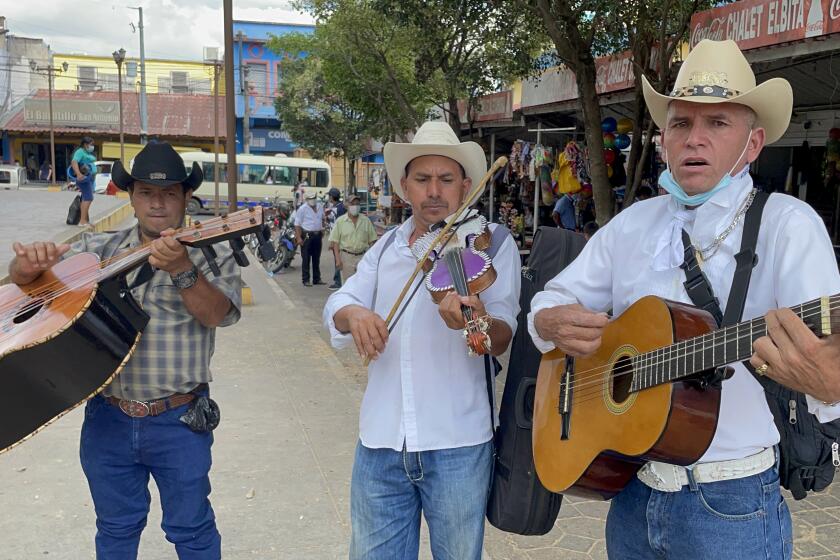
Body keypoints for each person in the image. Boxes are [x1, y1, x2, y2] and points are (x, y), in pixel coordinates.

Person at [528, 39, 840, 559]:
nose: (695, 139)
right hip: (633, 489)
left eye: (718, 123)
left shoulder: (788, 224)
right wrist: (549, 320)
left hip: (731, 504)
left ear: (753, 142)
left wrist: (829, 383)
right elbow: (553, 299)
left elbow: (829, 364)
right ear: (664, 138)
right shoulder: (633, 224)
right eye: (681, 124)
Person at [8, 142, 242, 559]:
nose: (157, 203)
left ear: (186, 198)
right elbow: (36, 289)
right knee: (115, 530)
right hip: (108, 419)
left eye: (169, 193)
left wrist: (182, 270)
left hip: (181, 420)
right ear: (131, 197)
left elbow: (217, 315)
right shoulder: (101, 249)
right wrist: (24, 270)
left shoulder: (212, 249)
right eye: (146, 193)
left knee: (191, 529)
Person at [323, 121, 520, 560]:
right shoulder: (387, 247)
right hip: (380, 443)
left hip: (458, 445)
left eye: (446, 180)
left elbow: (503, 333)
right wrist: (353, 315)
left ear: (466, 185)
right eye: (422, 180)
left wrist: (478, 322)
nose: (434, 191)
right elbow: (339, 301)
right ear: (404, 188)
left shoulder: (490, 244)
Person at [328, 194, 377, 290]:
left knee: (362, 286)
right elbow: (335, 242)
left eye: (357, 204)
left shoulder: (365, 221)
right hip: (346, 257)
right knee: (347, 286)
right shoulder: (340, 221)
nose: (355, 206)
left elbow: (372, 241)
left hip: (362, 257)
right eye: (352, 204)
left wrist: (372, 259)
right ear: (346, 205)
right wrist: (338, 260)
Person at [295, 191, 326, 286]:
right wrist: (299, 237)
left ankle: (317, 278)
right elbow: (297, 224)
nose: (312, 200)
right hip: (307, 235)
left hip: (317, 235)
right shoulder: (302, 209)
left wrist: (323, 229)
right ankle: (306, 279)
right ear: (306, 199)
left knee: (317, 258)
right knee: (306, 258)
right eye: (310, 199)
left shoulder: (320, 206)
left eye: (314, 198)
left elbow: (323, 218)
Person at [71, 136, 97, 226]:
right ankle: (82, 221)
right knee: (89, 198)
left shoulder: (85, 152)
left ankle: (85, 220)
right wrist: (78, 174)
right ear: (85, 144)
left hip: (88, 178)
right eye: (91, 144)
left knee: (85, 198)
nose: (92, 146)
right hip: (83, 179)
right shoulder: (80, 152)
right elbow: (74, 162)